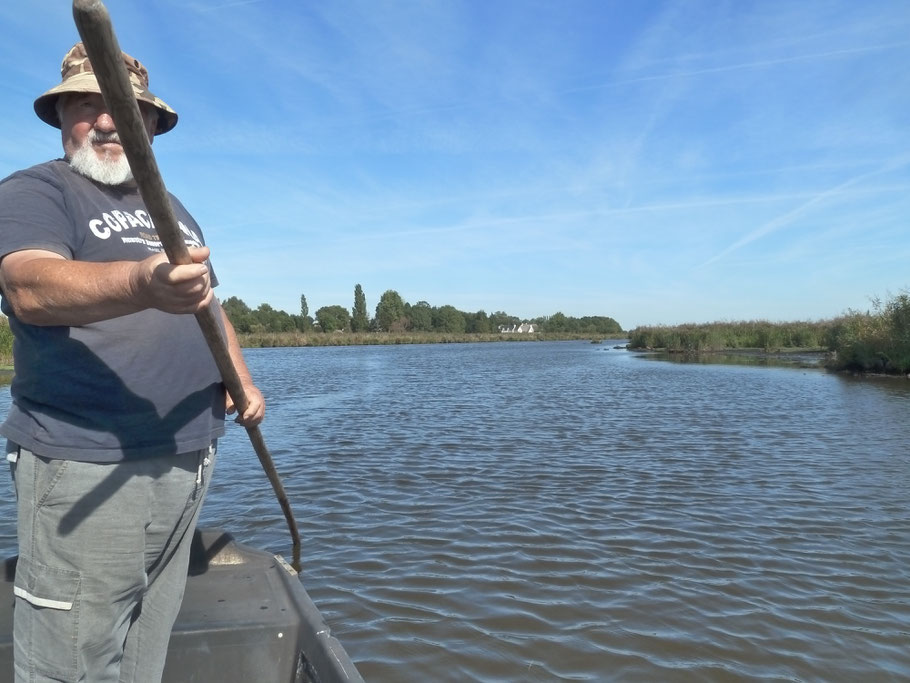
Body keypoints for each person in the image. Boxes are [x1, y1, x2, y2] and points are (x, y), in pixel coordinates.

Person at [0, 43, 264, 682]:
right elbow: (29, 288)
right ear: (64, 117)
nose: (110, 120)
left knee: (147, 641)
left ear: (149, 125)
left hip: (191, 456)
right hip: (87, 466)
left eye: (126, 108)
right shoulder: (37, 191)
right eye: (90, 104)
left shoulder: (175, 210)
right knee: (72, 661)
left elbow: (211, 305)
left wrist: (240, 377)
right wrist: (143, 284)